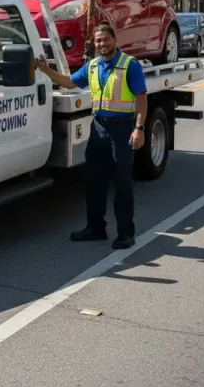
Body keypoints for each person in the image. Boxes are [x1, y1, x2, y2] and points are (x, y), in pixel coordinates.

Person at [36, 23, 148, 250]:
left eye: (105, 39)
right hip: (98, 127)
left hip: (122, 128)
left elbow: (142, 99)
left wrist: (139, 129)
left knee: (122, 183)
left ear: (114, 40)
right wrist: (46, 70)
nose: (102, 44)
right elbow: (69, 82)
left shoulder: (129, 65)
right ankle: (95, 228)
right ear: (94, 43)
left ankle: (126, 233)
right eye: (98, 41)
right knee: (94, 180)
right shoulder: (93, 66)